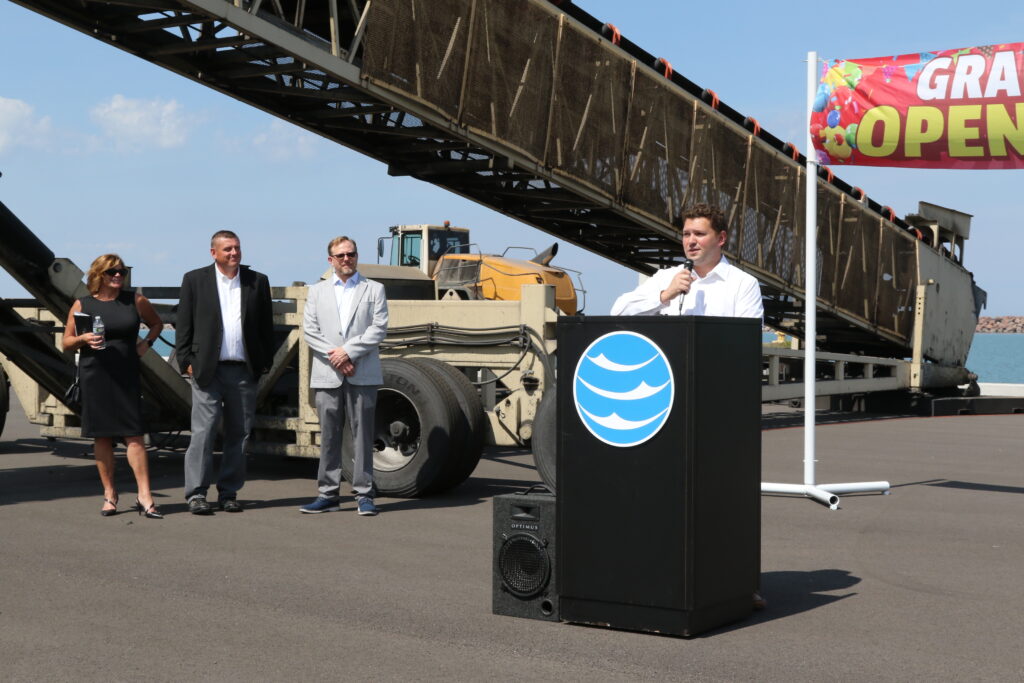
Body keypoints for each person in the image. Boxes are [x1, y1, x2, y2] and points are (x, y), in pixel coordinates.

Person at [176, 230, 275, 515]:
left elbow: (266, 327)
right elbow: (184, 325)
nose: (234, 253)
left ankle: (229, 492)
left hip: (244, 372)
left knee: (239, 435)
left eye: (237, 248)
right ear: (213, 253)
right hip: (208, 371)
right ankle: (196, 493)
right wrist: (186, 362)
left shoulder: (257, 281)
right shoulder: (195, 280)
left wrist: (264, 362)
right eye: (228, 249)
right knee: (203, 434)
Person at [62, 254, 164, 518]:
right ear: (100, 275)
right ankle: (110, 494)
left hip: (126, 374)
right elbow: (66, 342)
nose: (119, 276)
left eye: (122, 272)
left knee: (134, 435)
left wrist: (145, 345)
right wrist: (83, 337)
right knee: (102, 436)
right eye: (113, 272)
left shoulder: (135, 301)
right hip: (95, 375)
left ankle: (145, 496)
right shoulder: (82, 304)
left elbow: (156, 324)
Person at [300, 236, 388, 517]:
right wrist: (336, 357)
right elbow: (311, 331)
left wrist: (347, 353)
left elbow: (378, 329)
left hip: (362, 371)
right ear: (331, 260)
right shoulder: (317, 291)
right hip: (328, 373)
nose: (346, 259)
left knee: (363, 434)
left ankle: (364, 494)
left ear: (356, 256)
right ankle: (327, 494)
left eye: (351, 254)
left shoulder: (374, 289)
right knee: (329, 435)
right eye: (340, 255)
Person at [610, 203, 763, 320]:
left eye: (699, 234)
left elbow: (748, 339)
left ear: (721, 238)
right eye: (686, 234)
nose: (691, 241)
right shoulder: (666, 277)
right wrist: (665, 295)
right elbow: (618, 312)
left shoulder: (744, 284)